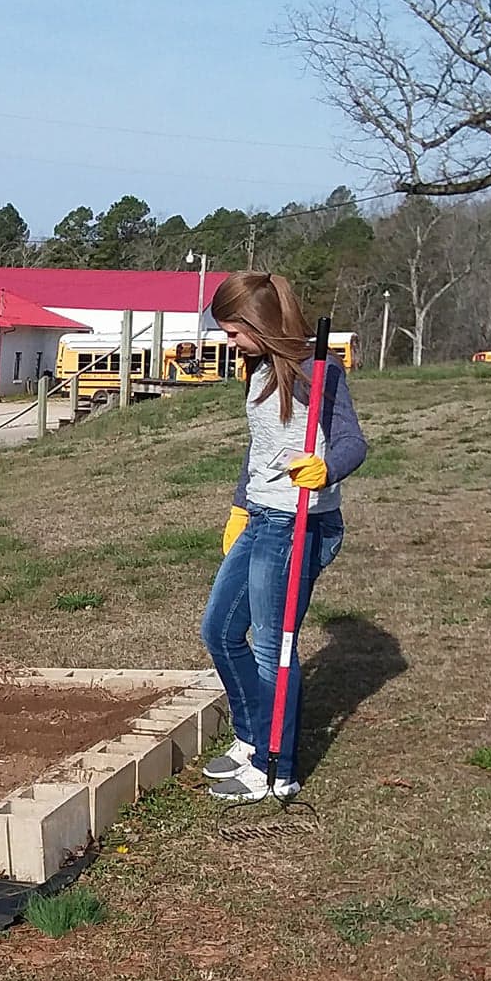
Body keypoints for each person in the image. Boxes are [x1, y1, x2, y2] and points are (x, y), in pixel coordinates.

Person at [198, 271, 366, 803]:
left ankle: (277, 766)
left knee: (275, 648)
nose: (229, 342)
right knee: (219, 631)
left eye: (233, 331)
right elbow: (259, 447)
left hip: (301, 523)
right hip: (264, 516)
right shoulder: (257, 368)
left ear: (261, 323)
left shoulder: (319, 373)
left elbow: (353, 443)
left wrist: (327, 467)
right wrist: (239, 506)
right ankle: (252, 738)